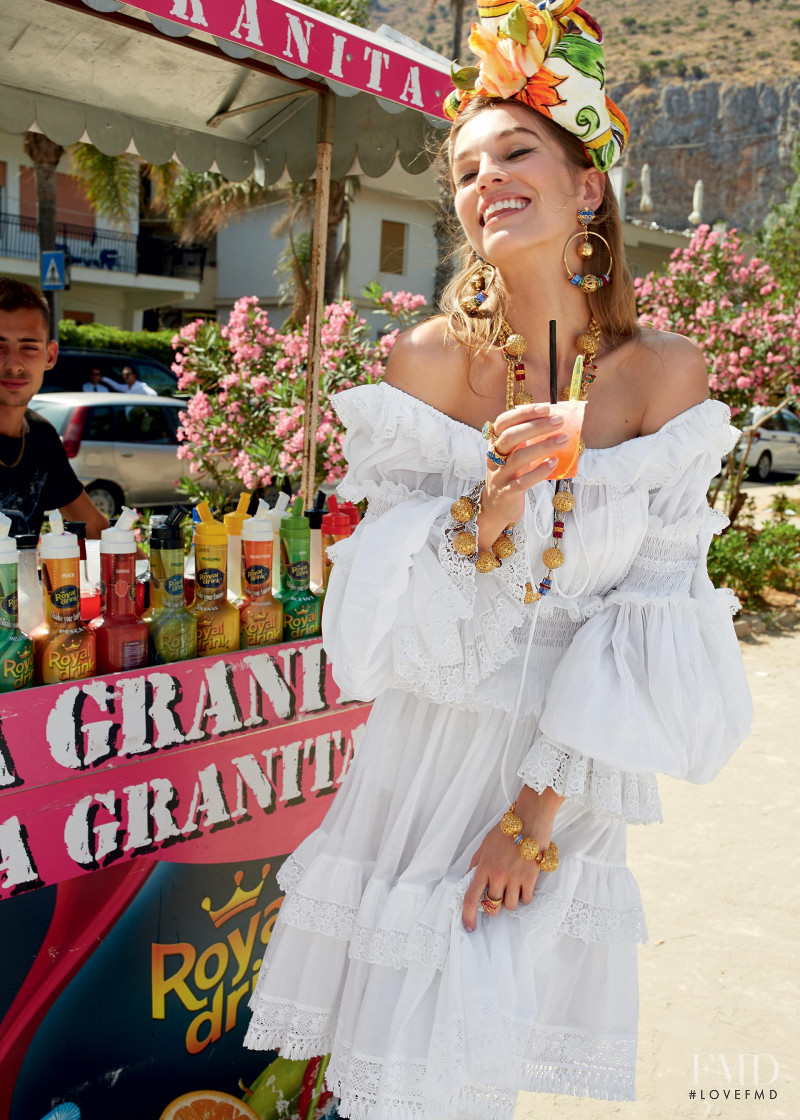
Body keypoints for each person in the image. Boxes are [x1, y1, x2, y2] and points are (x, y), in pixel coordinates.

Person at [244, 1, 754, 1113]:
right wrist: (476, 515)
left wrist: (532, 818)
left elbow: (649, 608)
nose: (486, 181)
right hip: (423, 758)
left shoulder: (665, 378)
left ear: (588, 186)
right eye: (467, 170)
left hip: (554, 767)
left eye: (515, 151)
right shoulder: (424, 363)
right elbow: (375, 593)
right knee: (397, 1074)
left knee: (470, 1067)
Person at [0, 277, 109, 538]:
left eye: (29, 347)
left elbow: (95, 528)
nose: (14, 364)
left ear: (50, 356)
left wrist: (160, 573)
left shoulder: (40, 436)